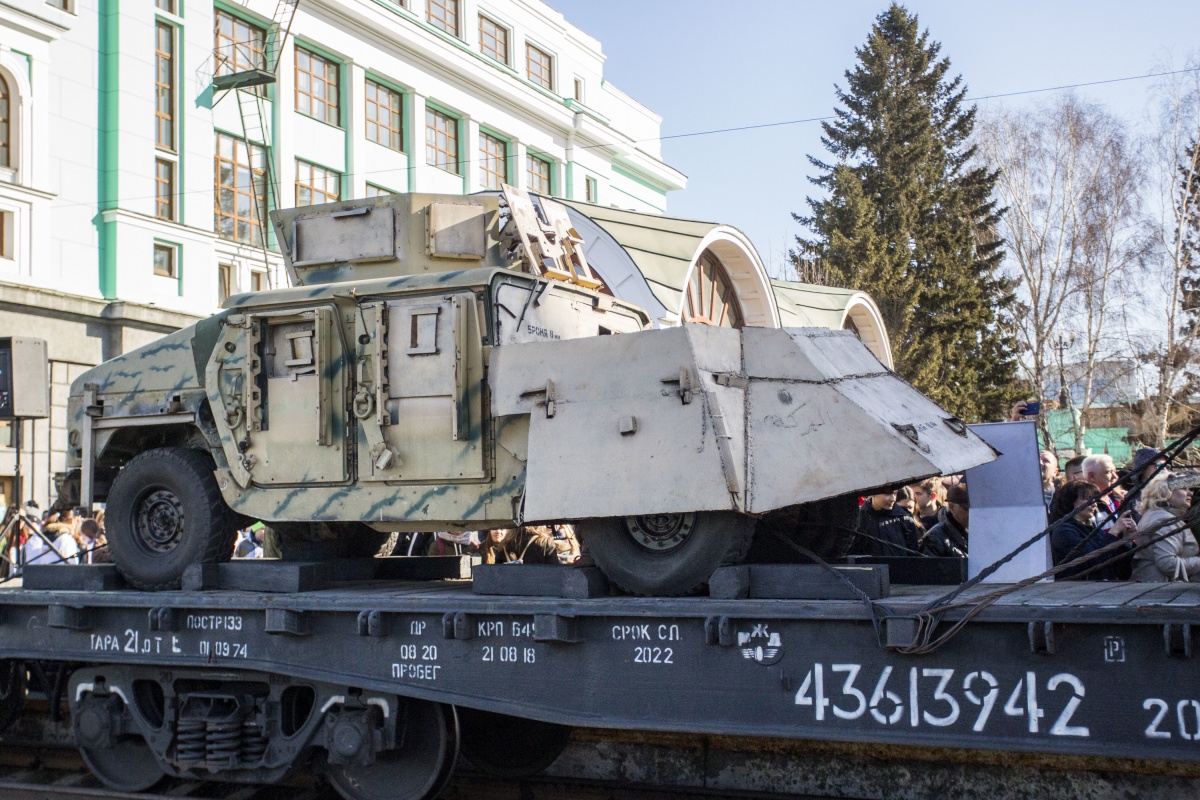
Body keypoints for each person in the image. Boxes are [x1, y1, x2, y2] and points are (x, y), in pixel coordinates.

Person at [1049, 480, 1133, 581]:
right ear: (1071, 501)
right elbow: (1092, 561)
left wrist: (1127, 540)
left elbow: (1120, 569)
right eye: (1088, 499)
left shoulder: (1092, 530)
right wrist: (1114, 532)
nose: (1094, 504)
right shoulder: (1064, 532)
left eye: (1095, 500)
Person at [1131, 473, 1200, 582]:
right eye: (1183, 488)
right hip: (1158, 590)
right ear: (1166, 493)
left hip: (1154, 586)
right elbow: (1167, 563)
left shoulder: (1157, 515)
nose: (1190, 493)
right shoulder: (1164, 520)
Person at [1082, 454, 1137, 538]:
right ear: (1092, 476)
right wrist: (1115, 531)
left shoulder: (1120, 499)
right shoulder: (1086, 507)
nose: (1115, 477)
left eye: (1114, 471)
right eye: (1108, 472)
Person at [851, 491, 920, 558]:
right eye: (887, 494)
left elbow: (914, 558)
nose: (892, 499)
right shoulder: (858, 519)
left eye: (895, 493)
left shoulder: (905, 519)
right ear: (872, 493)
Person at [920, 483, 969, 557]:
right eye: (967, 509)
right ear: (952, 507)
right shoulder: (934, 538)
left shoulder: (979, 533)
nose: (972, 513)